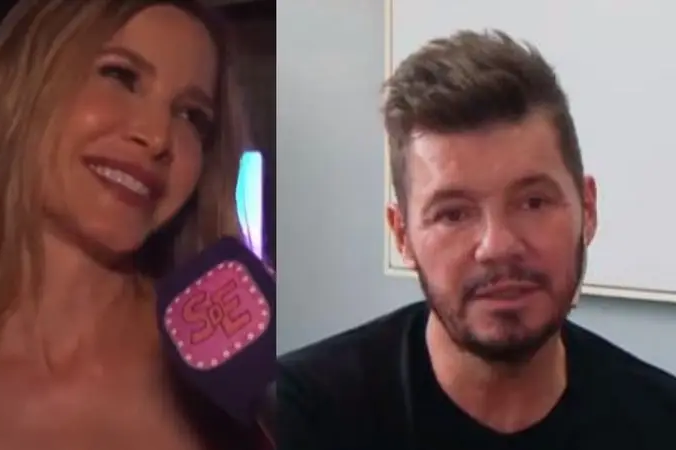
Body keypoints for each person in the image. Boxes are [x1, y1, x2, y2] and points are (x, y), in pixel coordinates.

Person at [0, 1, 271, 449]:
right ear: (19, 89)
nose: (158, 136)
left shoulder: (229, 379)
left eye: (191, 115)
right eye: (120, 76)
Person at [278, 29, 676, 449]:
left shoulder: (661, 421)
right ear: (403, 235)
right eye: (453, 214)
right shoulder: (298, 416)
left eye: (534, 202)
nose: (497, 246)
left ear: (588, 209)